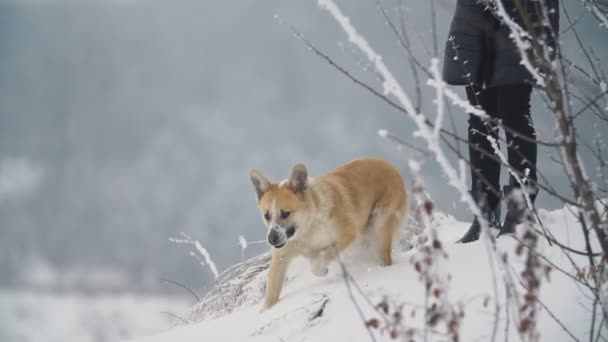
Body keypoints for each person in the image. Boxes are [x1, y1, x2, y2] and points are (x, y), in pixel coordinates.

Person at [442, 0, 559, 243]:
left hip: (521, 15)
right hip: (476, 16)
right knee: (479, 117)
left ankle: (519, 209)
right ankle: (484, 211)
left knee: (513, 113)